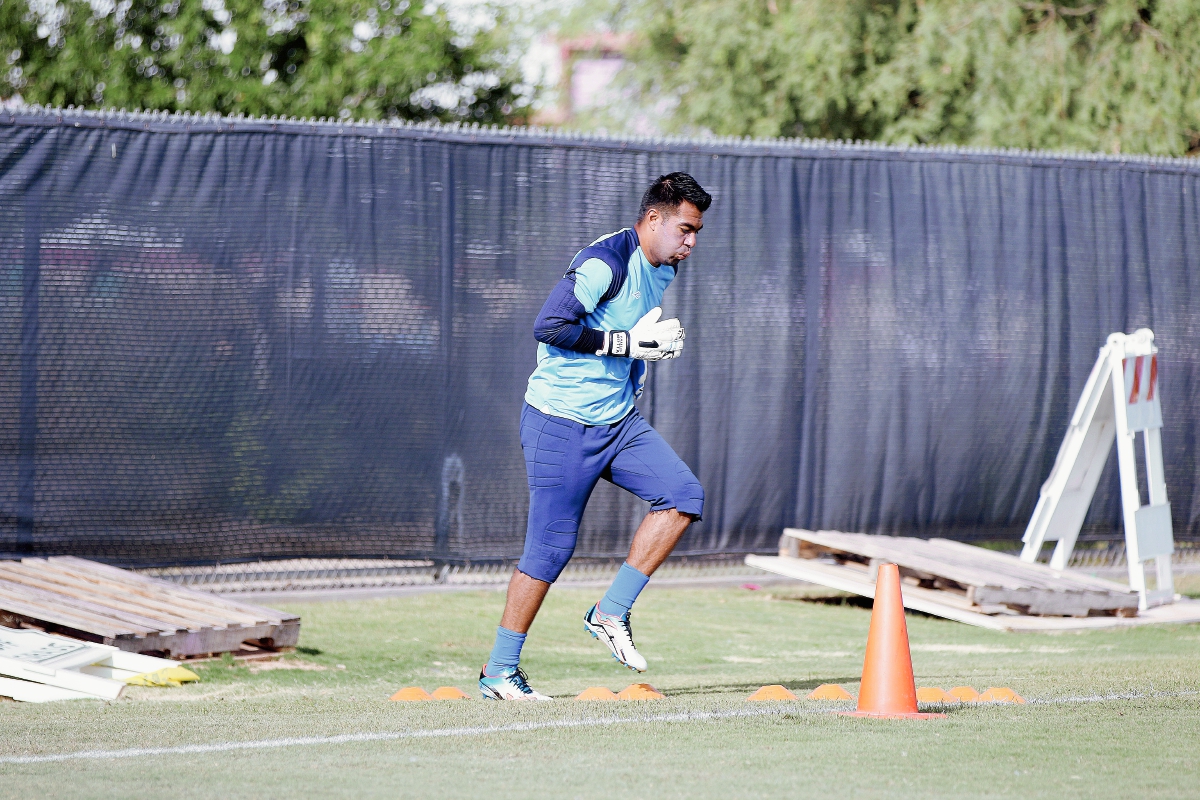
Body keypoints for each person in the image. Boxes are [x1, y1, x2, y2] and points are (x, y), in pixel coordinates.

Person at [479, 172, 713, 700]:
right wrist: (627, 343)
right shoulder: (604, 262)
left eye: (696, 232)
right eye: (685, 229)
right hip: (559, 422)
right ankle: (498, 671)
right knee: (549, 550)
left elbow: (628, 338)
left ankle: (610, 612)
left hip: (618, 422)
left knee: (682, 497)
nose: (691, 242)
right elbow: (550, 325)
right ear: (652, 219)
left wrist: (638, 359)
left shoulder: (664, 267)